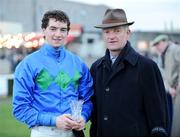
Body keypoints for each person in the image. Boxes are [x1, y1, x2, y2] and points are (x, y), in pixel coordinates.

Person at [12, 10, 93, 137]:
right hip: (43, 132)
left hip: (74, 133)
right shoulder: (27, 65)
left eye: (62, 30)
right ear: (44, 30)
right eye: (53, 29)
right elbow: (20, 108)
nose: (58, 34)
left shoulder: (79, 63)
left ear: (67, 32)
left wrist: (83, 116)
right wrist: (54, 121)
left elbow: (88, 99)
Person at [90, 8, 169, 137]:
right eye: (107, 31)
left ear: (128, 33)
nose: (111, 36)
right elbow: (94, 114)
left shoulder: (147, 67)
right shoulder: (96, 68)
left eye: (117, 31)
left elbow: (158, 116)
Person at [151, 34, 180, 137]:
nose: (157, 47)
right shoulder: (162, 54)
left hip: (177, 90)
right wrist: (169, 88)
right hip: (171, 91)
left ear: (164, 41)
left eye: (158, 44)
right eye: (155, 45)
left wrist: (178, 86)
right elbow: (163, 74)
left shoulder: (175, 49)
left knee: (177, 121)